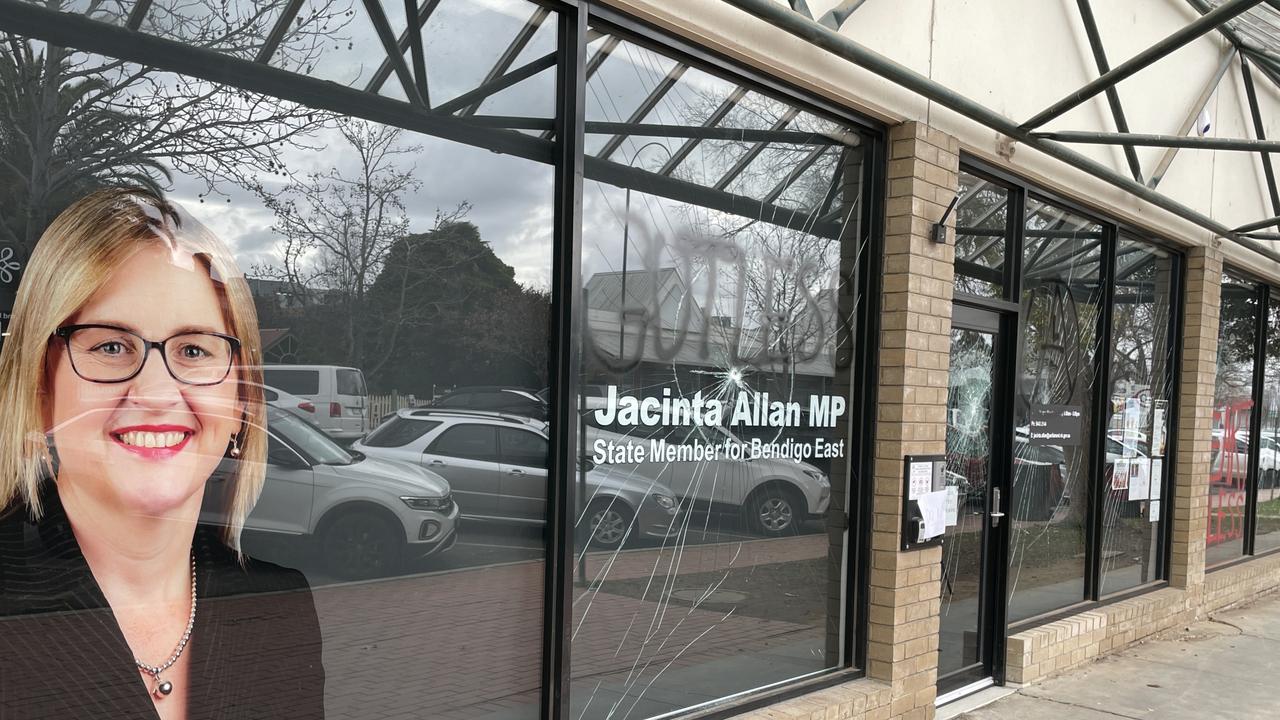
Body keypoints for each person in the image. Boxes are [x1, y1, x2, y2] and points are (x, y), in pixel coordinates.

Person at [0, 188, 325, 720]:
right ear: (40, 386)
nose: (155, 393)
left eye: (194, 349)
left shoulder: (277, 606)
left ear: (239, 394)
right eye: (109, 346)